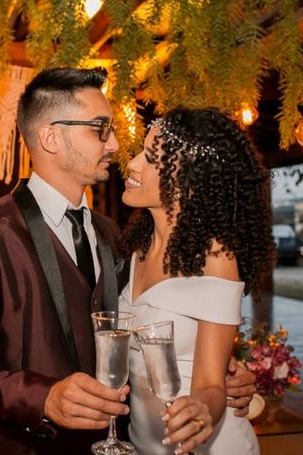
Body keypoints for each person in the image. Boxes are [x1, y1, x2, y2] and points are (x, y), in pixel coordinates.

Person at [0, 68, 258, 454]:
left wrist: (223, 380)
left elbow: (169, 332)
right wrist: (44, 399)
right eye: (99, 129)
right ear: (51, 137)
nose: (113, 146)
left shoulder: (115, 235)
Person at [120, 107, 276, 454]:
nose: (131, 164)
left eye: (149, 158)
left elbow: (210, 383)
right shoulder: (134, 247)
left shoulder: (217, 259)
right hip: (141, 443)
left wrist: (203, 410)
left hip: (206, 445)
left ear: (186, 180)